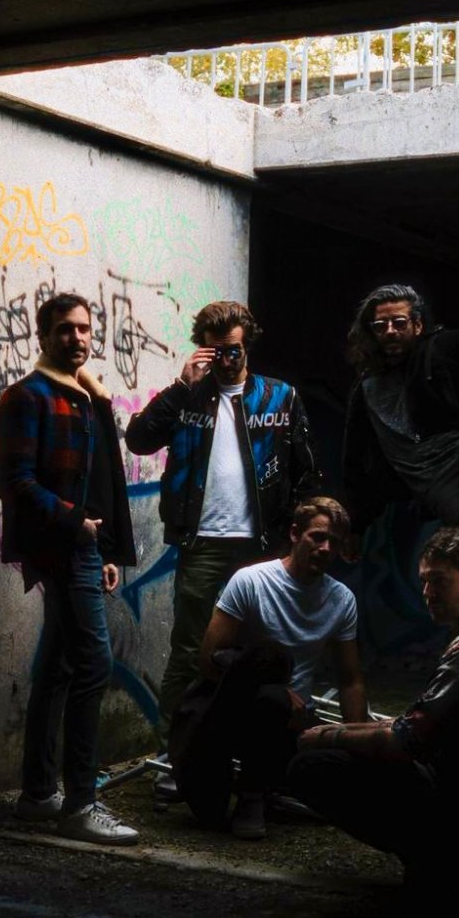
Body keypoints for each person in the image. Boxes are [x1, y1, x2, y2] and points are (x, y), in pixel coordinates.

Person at [124, 300, 322, 743]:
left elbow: (306, 471)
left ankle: (254, 746)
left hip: (263, 545)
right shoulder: (189, 395)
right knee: (190, 650)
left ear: (247, 345)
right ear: (204, 349)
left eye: (234, 350)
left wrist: (295, 536)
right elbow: (138, 440)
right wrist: (180, 386)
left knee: (264, 649)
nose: (227, 360)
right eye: (217, 351)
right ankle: (176, 752)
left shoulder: (280, 397)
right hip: (203, 543)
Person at [0, 291, 140, 845]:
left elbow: (100, 478)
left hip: (83, 547)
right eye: (64, 330)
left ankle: (37, 796)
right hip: (61, 546)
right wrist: (76, 524)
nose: (76, 338)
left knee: (57, 668)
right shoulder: (26, 397)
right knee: (94, 666)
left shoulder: (83, 396)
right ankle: (81, 804)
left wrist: (104, 550)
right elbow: (15, 482)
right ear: (43, 336)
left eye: (83, 329)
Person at [284, 525, 459, 890]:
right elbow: (413, 723)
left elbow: (406, 740)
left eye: (439, 581)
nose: (427, 593)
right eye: (424, 581)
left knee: (309, 768)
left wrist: (328, 736)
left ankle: (431, 854)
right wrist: (340, 730)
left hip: (457, 804)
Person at [172, 497, 367, 839]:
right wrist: (268, 684)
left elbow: (350, 680)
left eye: (334, 543)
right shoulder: (251, 581)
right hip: (234, 708)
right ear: (295, 534)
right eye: (317, 537)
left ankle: (265, 785)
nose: (325, 548)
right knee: (272, 691)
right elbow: (209, 659)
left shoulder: (341, 600)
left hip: (291, 723)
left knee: (337, 785)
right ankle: (251, 797)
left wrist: (360, 745)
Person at [339, 284, 459, 556]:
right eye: (381, 326)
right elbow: (356, 462)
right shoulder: (366, 391)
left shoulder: (438, 349)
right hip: (443, 478)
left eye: (399, 322)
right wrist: (356, 525)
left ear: (417, 325)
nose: (390, 330)